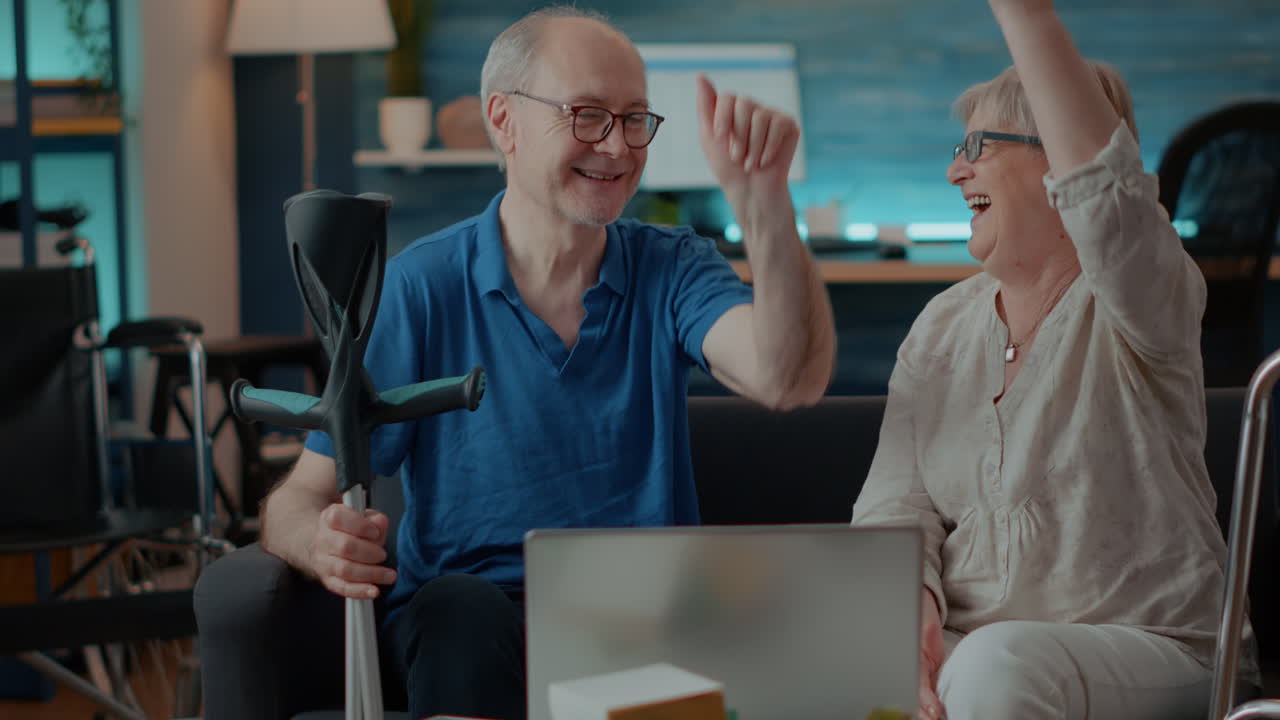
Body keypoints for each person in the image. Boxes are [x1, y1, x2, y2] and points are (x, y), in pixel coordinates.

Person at [258, 6, 835, 720]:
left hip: (644, 623)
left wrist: (766, 204)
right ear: (504, 120)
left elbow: (784, 377)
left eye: (634, 120)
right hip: (469, 624)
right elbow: (294, 500)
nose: (618, 147)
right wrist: (319, 544)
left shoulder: (672, 265)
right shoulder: (423, 285)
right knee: (459, 610)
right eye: (588, 115)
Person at [851, 1, 1252, 719]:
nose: (953, 170)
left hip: (1154, 645)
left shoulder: (1142, 291)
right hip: (973, 654)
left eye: (977, 147)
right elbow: (896, 499)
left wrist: (1024, 14)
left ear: (1054, 162)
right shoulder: (941, 325)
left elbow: (1109, 195)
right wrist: (908, 608)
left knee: (996, 664)